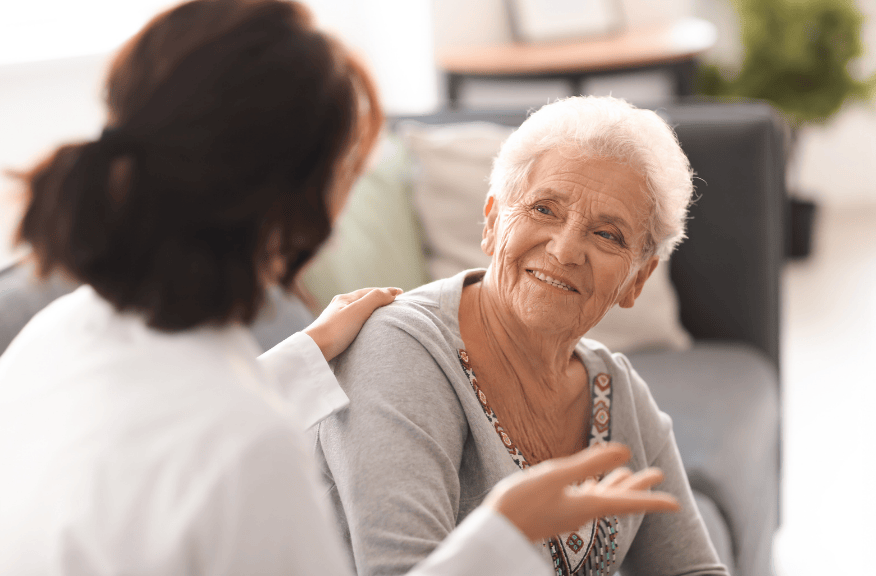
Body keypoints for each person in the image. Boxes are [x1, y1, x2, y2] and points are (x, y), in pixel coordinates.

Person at [0, 2, 682, 574]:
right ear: (309, 202)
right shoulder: (249, 448)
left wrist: (299, 359)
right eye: (352, 163)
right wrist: (501, 534)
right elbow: (203, 446)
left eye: (608, 235)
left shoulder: (55, 338)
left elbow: (155, 438)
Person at [315, 95, 732, 576]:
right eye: (545, 209)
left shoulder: (618, 394)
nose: (566, 248)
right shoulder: (398, 351)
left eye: (608, 235)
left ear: (637, 280)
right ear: (492, 222)